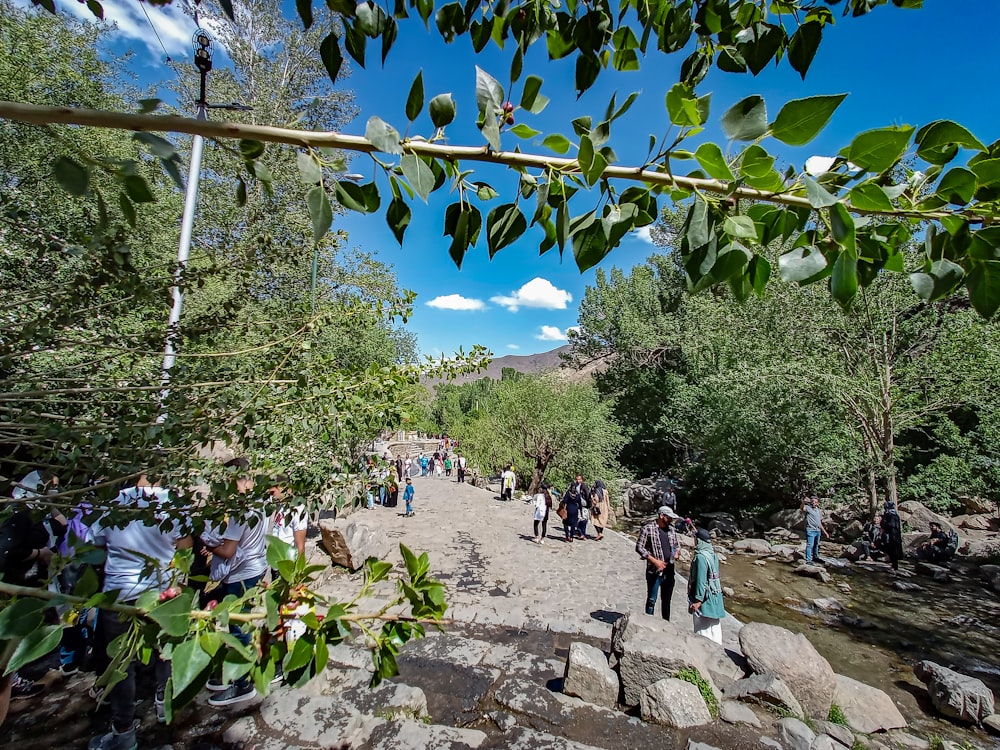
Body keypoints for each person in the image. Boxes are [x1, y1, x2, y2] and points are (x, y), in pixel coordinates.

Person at [88, 471, 192, 748]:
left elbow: (95, 546)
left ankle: (124, 732)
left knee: (121, 663)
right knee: (164, 652)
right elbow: (185, 548)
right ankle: (163, 703)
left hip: (119, 595)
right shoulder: (174, 504)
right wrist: (179, 582)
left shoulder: (114, 503)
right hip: (162, 593)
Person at [202, 458, 269, 708]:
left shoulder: (242, 510)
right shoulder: (260, 502)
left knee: (237, 626)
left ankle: (242, 684)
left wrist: (208, 543)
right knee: (243, 621)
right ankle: (235, 672)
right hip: (255, 567)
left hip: (242, 573)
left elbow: (229, 550)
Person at [635, 506, 680, 620]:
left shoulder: (671, 530)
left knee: (666, 601)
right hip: (654, 571)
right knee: (651, 600)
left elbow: (676, 545)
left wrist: (677, 553)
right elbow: (639, 547)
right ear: (661, 516)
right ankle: (648, 622)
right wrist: (654, 561)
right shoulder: (648, 529)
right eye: (669, 517)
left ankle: (666, 623)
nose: (671, 520)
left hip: (669, 570)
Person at [688, 528, 726, 644]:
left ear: (699, 541)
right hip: (715, 596)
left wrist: (698, 600)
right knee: (714, 627)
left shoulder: (700, 557)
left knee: (702, 628)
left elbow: (701, 580)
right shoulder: (713, 555)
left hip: (704, 600)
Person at [800, 496, 828, 564]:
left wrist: (825, 532)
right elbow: (801, 508)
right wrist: (804, 502)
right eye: (812, 501)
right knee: (810, 545)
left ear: (818, 503)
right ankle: (808, 560)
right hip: (810, 530)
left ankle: (815, 557)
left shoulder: (818, 510)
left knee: (816, 545)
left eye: (815, 502)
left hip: (818, 530)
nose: (813, 503)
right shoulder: (808, 508)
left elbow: (819, 522)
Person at [880, 500, 904, 571]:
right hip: (892, 536)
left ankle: (894, 566)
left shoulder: (891, 515)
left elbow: (892, 525)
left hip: (892, 536)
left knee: (892, 550)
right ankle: (893, 564)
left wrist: (884, 525)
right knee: (890, 550)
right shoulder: (894, 514)